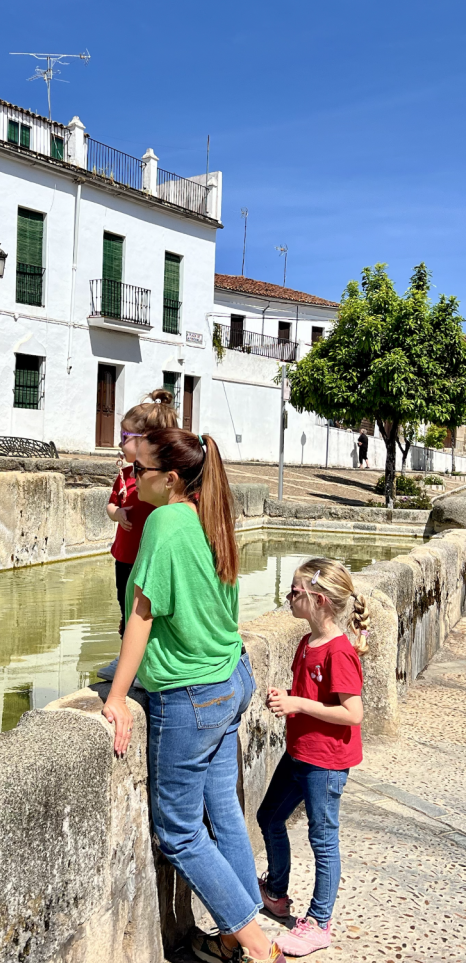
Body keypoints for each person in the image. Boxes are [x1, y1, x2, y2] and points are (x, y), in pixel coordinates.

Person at [101, 428, 283, 963]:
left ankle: (255, 941)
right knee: (222, 808)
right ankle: (236, 929)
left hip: (191, 694)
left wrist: (115, 697)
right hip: (230, 677)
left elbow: (141, 612)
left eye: (142, 473)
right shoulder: (212, 515)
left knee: (177, 831)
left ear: (171, 479)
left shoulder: (166, 521)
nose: (134, 481)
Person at [256, 558, 368, 957]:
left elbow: (352, 713)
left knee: (323, 839)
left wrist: (298, 703)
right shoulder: (308, 642)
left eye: (295, 592)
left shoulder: (339, 653)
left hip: (327, 761)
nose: (289, 597)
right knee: (268, 817)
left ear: (319, 600)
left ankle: (319, 922)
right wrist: (288, 699)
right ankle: (276, 891)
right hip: (300, 753)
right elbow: (308, 696)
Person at [106, 389, 178, 636]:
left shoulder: (161, 482)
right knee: (126, 606)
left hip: (149, 557)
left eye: (124, 436)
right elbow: (111, 504)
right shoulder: (125, 476)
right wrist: (117, 513)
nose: (119, 443)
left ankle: (139, 659)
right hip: (125, 556)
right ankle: (126, 652)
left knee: (146, 610)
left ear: (145, 439)